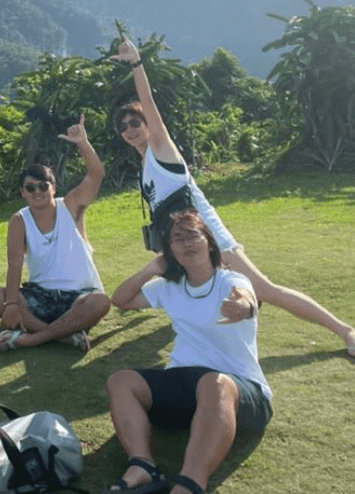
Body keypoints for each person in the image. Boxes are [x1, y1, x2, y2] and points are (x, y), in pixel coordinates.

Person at [111, 36, 355, 361]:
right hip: (182, 238)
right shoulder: (145, 166)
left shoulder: (162, 150)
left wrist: (137, 63)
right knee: (188, 288)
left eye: (135, 122)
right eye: (123, 126)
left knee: (266, 290)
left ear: (148, 125)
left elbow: (147, 100)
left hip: (208, 236)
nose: (130, 128)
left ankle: (348, 331)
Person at [105, 209, 272, 494]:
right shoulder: (168, 286)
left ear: (209, 241)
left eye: (193, 235)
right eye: (177, 239)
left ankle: (190, 484)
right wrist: (150, 269)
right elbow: (121, 300)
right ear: (169, 250)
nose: (187, 243)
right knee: (120, 381)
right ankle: (143, 466)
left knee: (213, 382)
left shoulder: (229, 280)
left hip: (238, 390)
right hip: (185, 384)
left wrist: (243, 307)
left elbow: (247, 297)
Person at [0, 115, 111, 352]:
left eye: (43, 186)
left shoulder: (70, 205)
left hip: (79, 296)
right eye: (30, 188)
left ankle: (32, 337)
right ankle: (63, 335)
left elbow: (96, 175)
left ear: (54, 188)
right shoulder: (19, 220)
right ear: (22, 192)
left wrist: (83, 143)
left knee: (100, 302)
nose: (37, 192)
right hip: (39, 297)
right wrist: (11, 304)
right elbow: (14, 265)